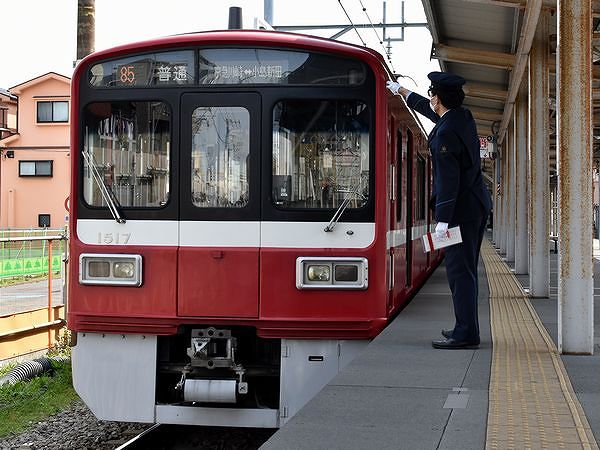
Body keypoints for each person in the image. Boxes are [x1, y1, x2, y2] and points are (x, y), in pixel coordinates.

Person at [387, 72, 492, 349]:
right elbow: (430, 110)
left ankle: (466, 333)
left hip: (460, 213)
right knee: (465, 270)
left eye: (432, 94)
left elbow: (449, 180)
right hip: (474, 207)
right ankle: (464, 326)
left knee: (460, 272)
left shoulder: (446, 132)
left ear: (439, 98)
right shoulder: (461, 118)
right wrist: (403, 92)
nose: (431, 99)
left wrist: (443, 220)